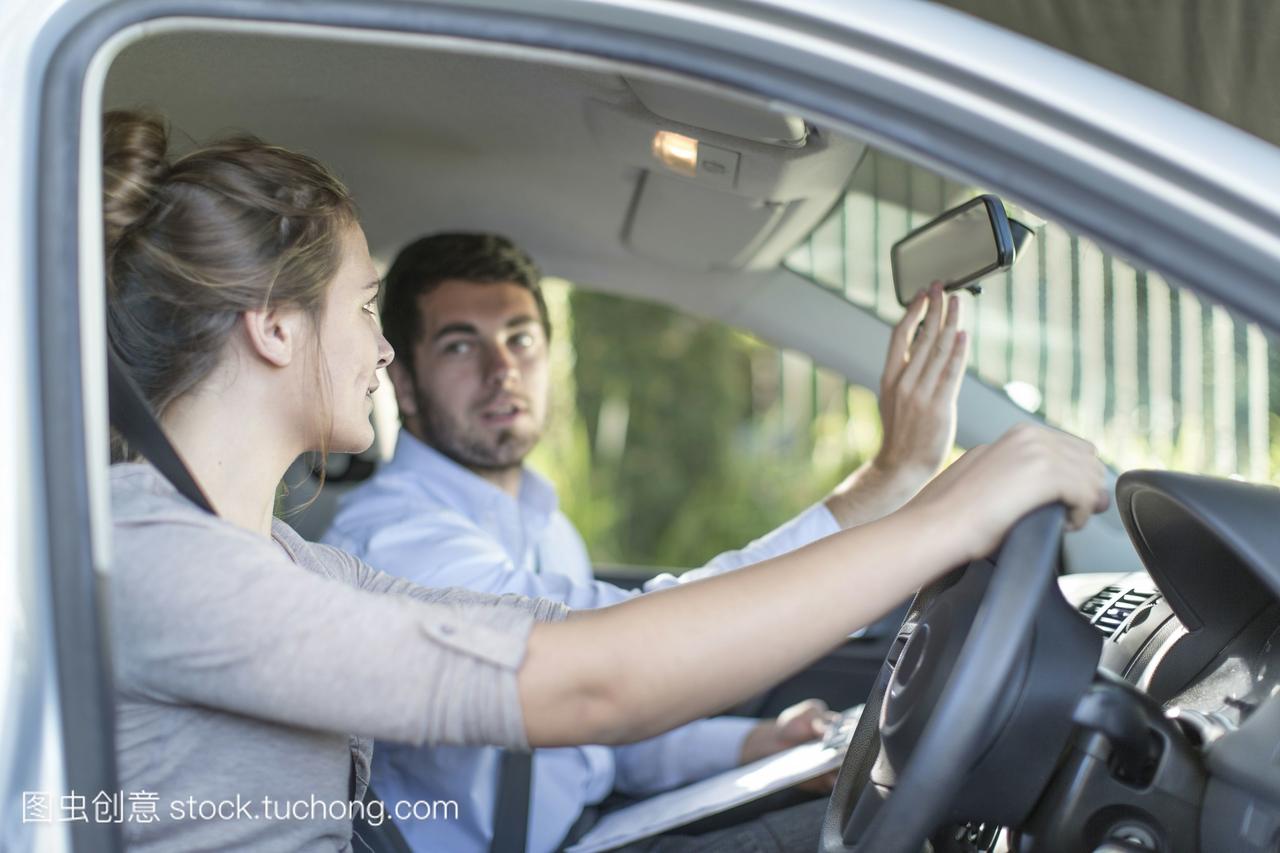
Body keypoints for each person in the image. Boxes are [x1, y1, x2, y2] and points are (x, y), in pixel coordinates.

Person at [102, 109, 1109, 853]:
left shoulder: (279, 559)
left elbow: (594, 638)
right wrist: (943, 518)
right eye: (366, 306)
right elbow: (591, 682)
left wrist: (894, 485)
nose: (371, 346)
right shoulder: (154, 560)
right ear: (274, 326)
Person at [322, 232, 969, 852]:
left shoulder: (544, 525)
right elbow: (614, 654)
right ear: (403, 383)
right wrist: (887, 479)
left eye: (521, 339)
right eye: (461, 346)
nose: (502, 370)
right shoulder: (393, 539)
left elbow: (600, 741)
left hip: (591, 826)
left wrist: (761, 743)